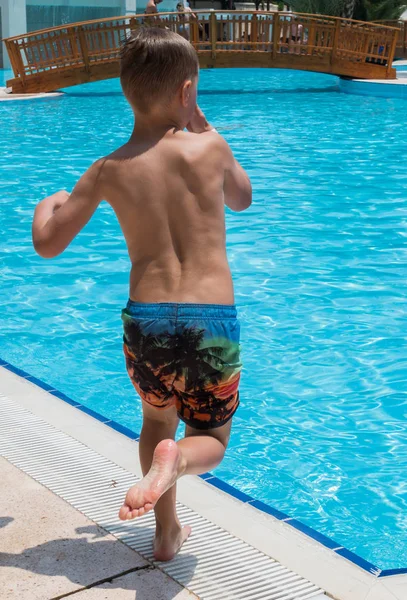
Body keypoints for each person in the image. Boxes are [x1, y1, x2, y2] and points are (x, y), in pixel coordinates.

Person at [31, 27, 251, 562]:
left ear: (125, 93)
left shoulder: (110, 168)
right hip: (210, 320)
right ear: (188, 90)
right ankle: (177, 461)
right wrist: (207, 125)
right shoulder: (211, 148)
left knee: (157, 421)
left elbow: (48, 243)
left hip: (146, 322)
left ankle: (165, 531)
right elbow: (243, 199)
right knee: (211, 440)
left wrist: (48, 202)